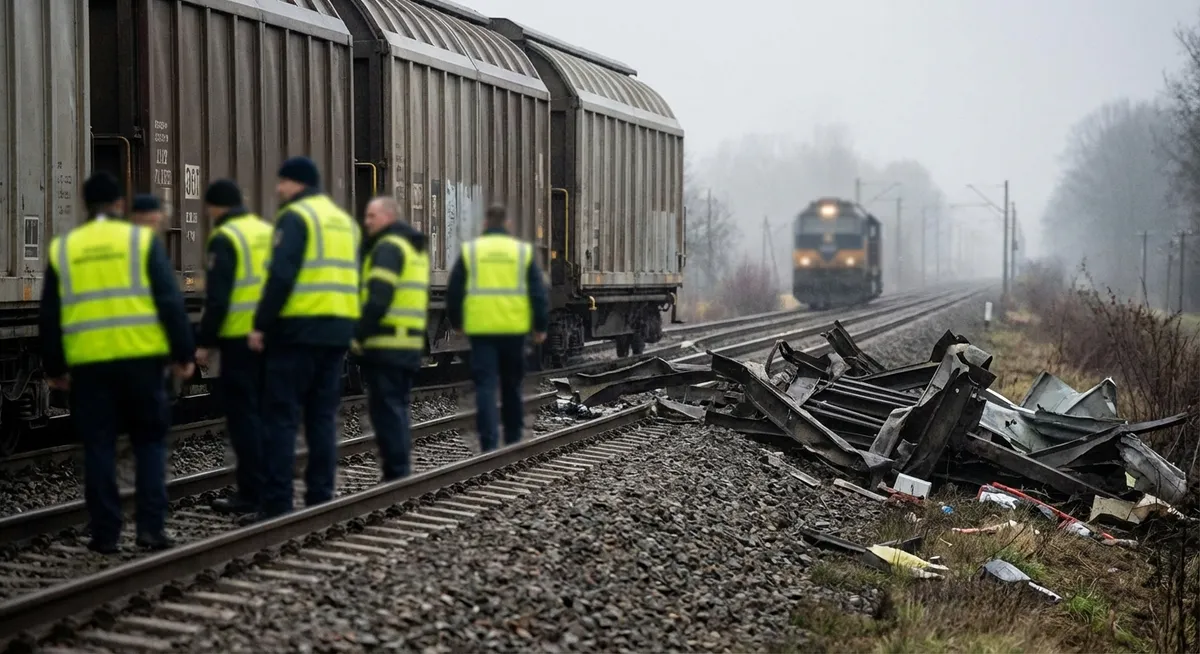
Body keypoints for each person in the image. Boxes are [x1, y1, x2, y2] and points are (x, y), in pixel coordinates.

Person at [39, 172, 195, 553]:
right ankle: (150, 529)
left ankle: (105, 534)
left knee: (98, 448)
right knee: (149, 444)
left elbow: (50, 316)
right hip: (141, 363)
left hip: (90, 369)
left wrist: (55, 368)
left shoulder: (65, 248)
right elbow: (170, 302)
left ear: (85, 204)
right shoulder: (140, 241)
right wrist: (183, 355)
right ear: (120, 205)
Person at [246, 157, 359, 522]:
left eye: (282, 182)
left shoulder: (296, 217)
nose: (278, 189)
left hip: (298, 332)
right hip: (336, 333)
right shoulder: (343, 222)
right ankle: (320, 497)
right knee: (322, 419)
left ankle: (277, 503)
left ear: (297, 183)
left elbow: (281, 275)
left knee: (280, 418)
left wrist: (261, 324)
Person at [446, 204, 549, 453]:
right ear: (507, 225)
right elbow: (538, 293)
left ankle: (489, 443)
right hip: (514, 331)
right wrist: (540, 327)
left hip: (482, 332)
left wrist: (457, 323)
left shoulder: (472, 251)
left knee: (486, 386)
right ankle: (512, 439)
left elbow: (454, 291)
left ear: (485, 225)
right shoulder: (521, 252)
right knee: (512, 386)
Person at [196, 179, 271, 514]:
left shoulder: (225, 237)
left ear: (217, 207)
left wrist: (204, 342)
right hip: (271, 338)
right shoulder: (266, 232)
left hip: (240, 341)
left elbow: (218, 298)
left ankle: (251, 494)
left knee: (244, 419)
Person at [355, 196, 429, 481]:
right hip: (407, 342)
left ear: (388, 217)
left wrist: (359, 334)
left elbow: (379, 298)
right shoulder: (412, 247)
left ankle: (396, 475)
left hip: (387, 342)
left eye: (371, 216)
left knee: (387, 410)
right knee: (396, 407)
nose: (367, 222)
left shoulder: (388, 247)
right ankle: (397, 471)